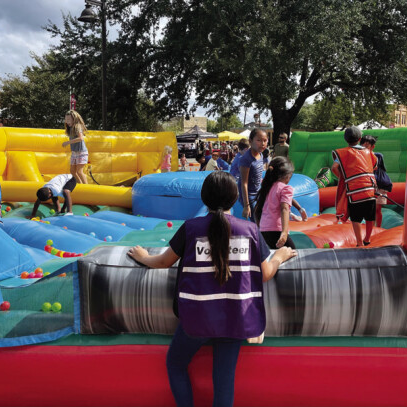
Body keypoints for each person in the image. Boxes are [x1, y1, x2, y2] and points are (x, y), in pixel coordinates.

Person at [127, 171, 297, 407]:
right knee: (224, 380)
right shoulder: (249, 230)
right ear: (235, 198)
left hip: (197, 317)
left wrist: (144, 257)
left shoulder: (191, 228)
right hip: (236, 317)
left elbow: (165, 262)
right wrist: (279, 256)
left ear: (204, 198)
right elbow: (265, 274)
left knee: (176, 364)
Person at [331, 126, 378, 247]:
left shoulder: (343, 152)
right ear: (360, 138)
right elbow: (374, 166)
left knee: (356, 217)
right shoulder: (368, 152)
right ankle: (367, 239)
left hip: (355, 190)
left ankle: (359, 243)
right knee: (370, 216)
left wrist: (343, 177)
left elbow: (334, 168)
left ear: (346, 139)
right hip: (370, 189)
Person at [254, 157, 308, 249]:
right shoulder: (285, 188)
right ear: (287, 175)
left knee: (278, 254)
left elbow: (261, 208)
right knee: (292, 253)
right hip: (276, 229)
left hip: (264, 229)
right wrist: (284, 232)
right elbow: (284, 208)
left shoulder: (267, 186)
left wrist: (298, 210)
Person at [361, 135, 393, 227]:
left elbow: (378, 169)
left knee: (377, 208)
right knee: (368, 208)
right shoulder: (360, 157)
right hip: (368, 185)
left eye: (367, 145)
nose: (364, 147)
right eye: (363, 145)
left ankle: (377, 227)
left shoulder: (377, 156)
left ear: (372, 146)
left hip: (378, 185)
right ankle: (370, 227)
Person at [238, 128, 268, 221]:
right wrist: (246, 206)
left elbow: (257, 173)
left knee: (263, 218)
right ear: (250, 141)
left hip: (258, 192)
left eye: (265, 140)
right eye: (259, 140)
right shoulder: (246, 159)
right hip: (249, 196)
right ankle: (257, 234)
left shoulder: (260, 154)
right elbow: (244, 183)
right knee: (257, 221)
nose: (262, 143)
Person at [62, 110, 88, 184]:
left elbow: (81, 138)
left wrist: (68, 142)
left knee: (79, 171)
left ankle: (86, 187)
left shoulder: (78, 126)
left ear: (74, 119)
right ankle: (80, 184)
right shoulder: (70, 128)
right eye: (66, 120)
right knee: (72, 171)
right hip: (74, 152)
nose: (67, 121)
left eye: (69, 119)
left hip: (81, 152)